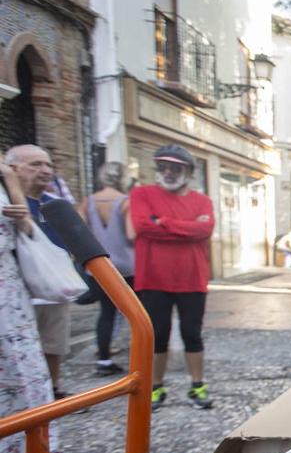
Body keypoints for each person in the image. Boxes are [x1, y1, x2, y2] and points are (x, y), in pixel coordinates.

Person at [129, 144, 216, 410]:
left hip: (192, 278)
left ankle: (197, 385)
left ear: (188, 171)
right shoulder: (141, 194)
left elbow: (204, 230)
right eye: (163, 166)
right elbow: (142, 226)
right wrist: (185, 228)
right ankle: (156, 387)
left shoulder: (203, 201)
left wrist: (163, 222)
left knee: (192, 333)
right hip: (153, 278)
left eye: (175, 167)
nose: (168, 172)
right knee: (157, 335)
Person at [0, 163, 64, 453]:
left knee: (20, 362)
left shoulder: (4, 176)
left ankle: (35, 444)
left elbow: (25, 230)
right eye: (36, 164)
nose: (45, 169)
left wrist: (12, 182)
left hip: (6, 289)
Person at [7, 145, 72, 397]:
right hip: (15, 291)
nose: (45, 170)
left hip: (52, 288)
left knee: (54, 342)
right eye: (35, 164)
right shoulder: (7, 203)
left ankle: (52, 389)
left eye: (48, 165)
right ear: (13, 169)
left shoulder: (55, 205)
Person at [80, 161, 136, 376]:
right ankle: (140, 355)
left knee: (106, 313)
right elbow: (131, 235)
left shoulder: (88, 201)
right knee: (135, 312)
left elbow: (81, 232)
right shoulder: (126, 202)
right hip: (126, 265)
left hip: (98, 265)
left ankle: (104, 361)